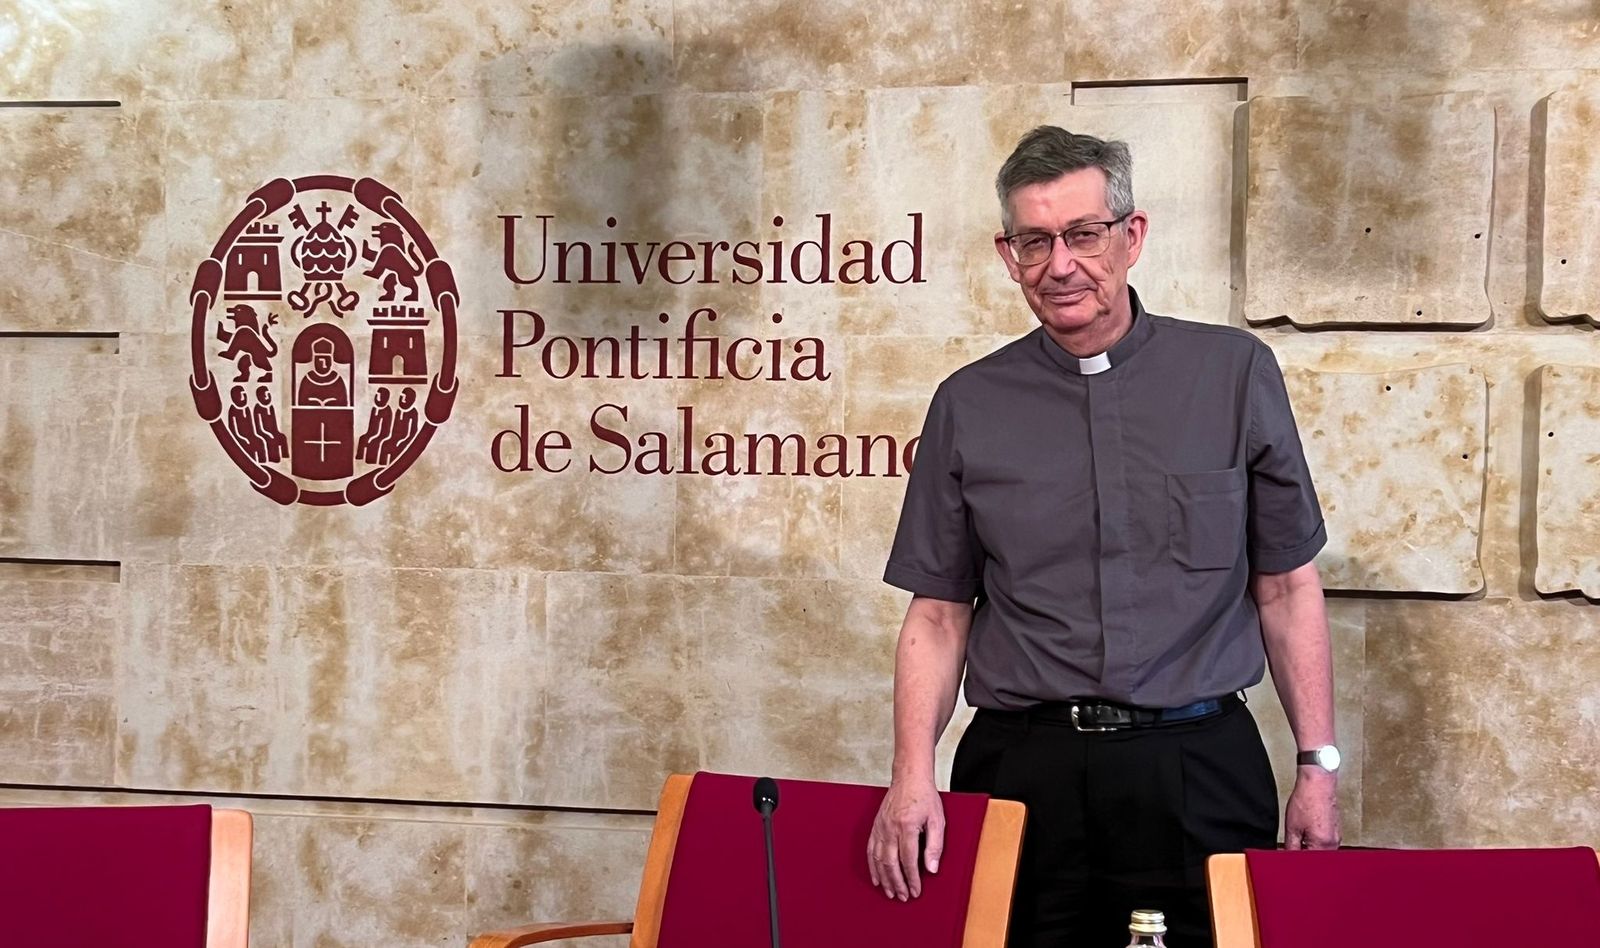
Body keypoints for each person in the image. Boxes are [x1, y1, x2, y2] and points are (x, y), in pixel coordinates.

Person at [867, 126, 1340, 948]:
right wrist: (912, 777)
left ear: (1132, 235)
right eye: (1034, 241)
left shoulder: (1233, 375)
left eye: (1084, 234)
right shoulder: (968, 404)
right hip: (1023, 771)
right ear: (1007, 254)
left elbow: (1287, 587)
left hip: (1197, 764)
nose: (1061, 265)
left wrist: (1317, 768)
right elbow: (939, 614)